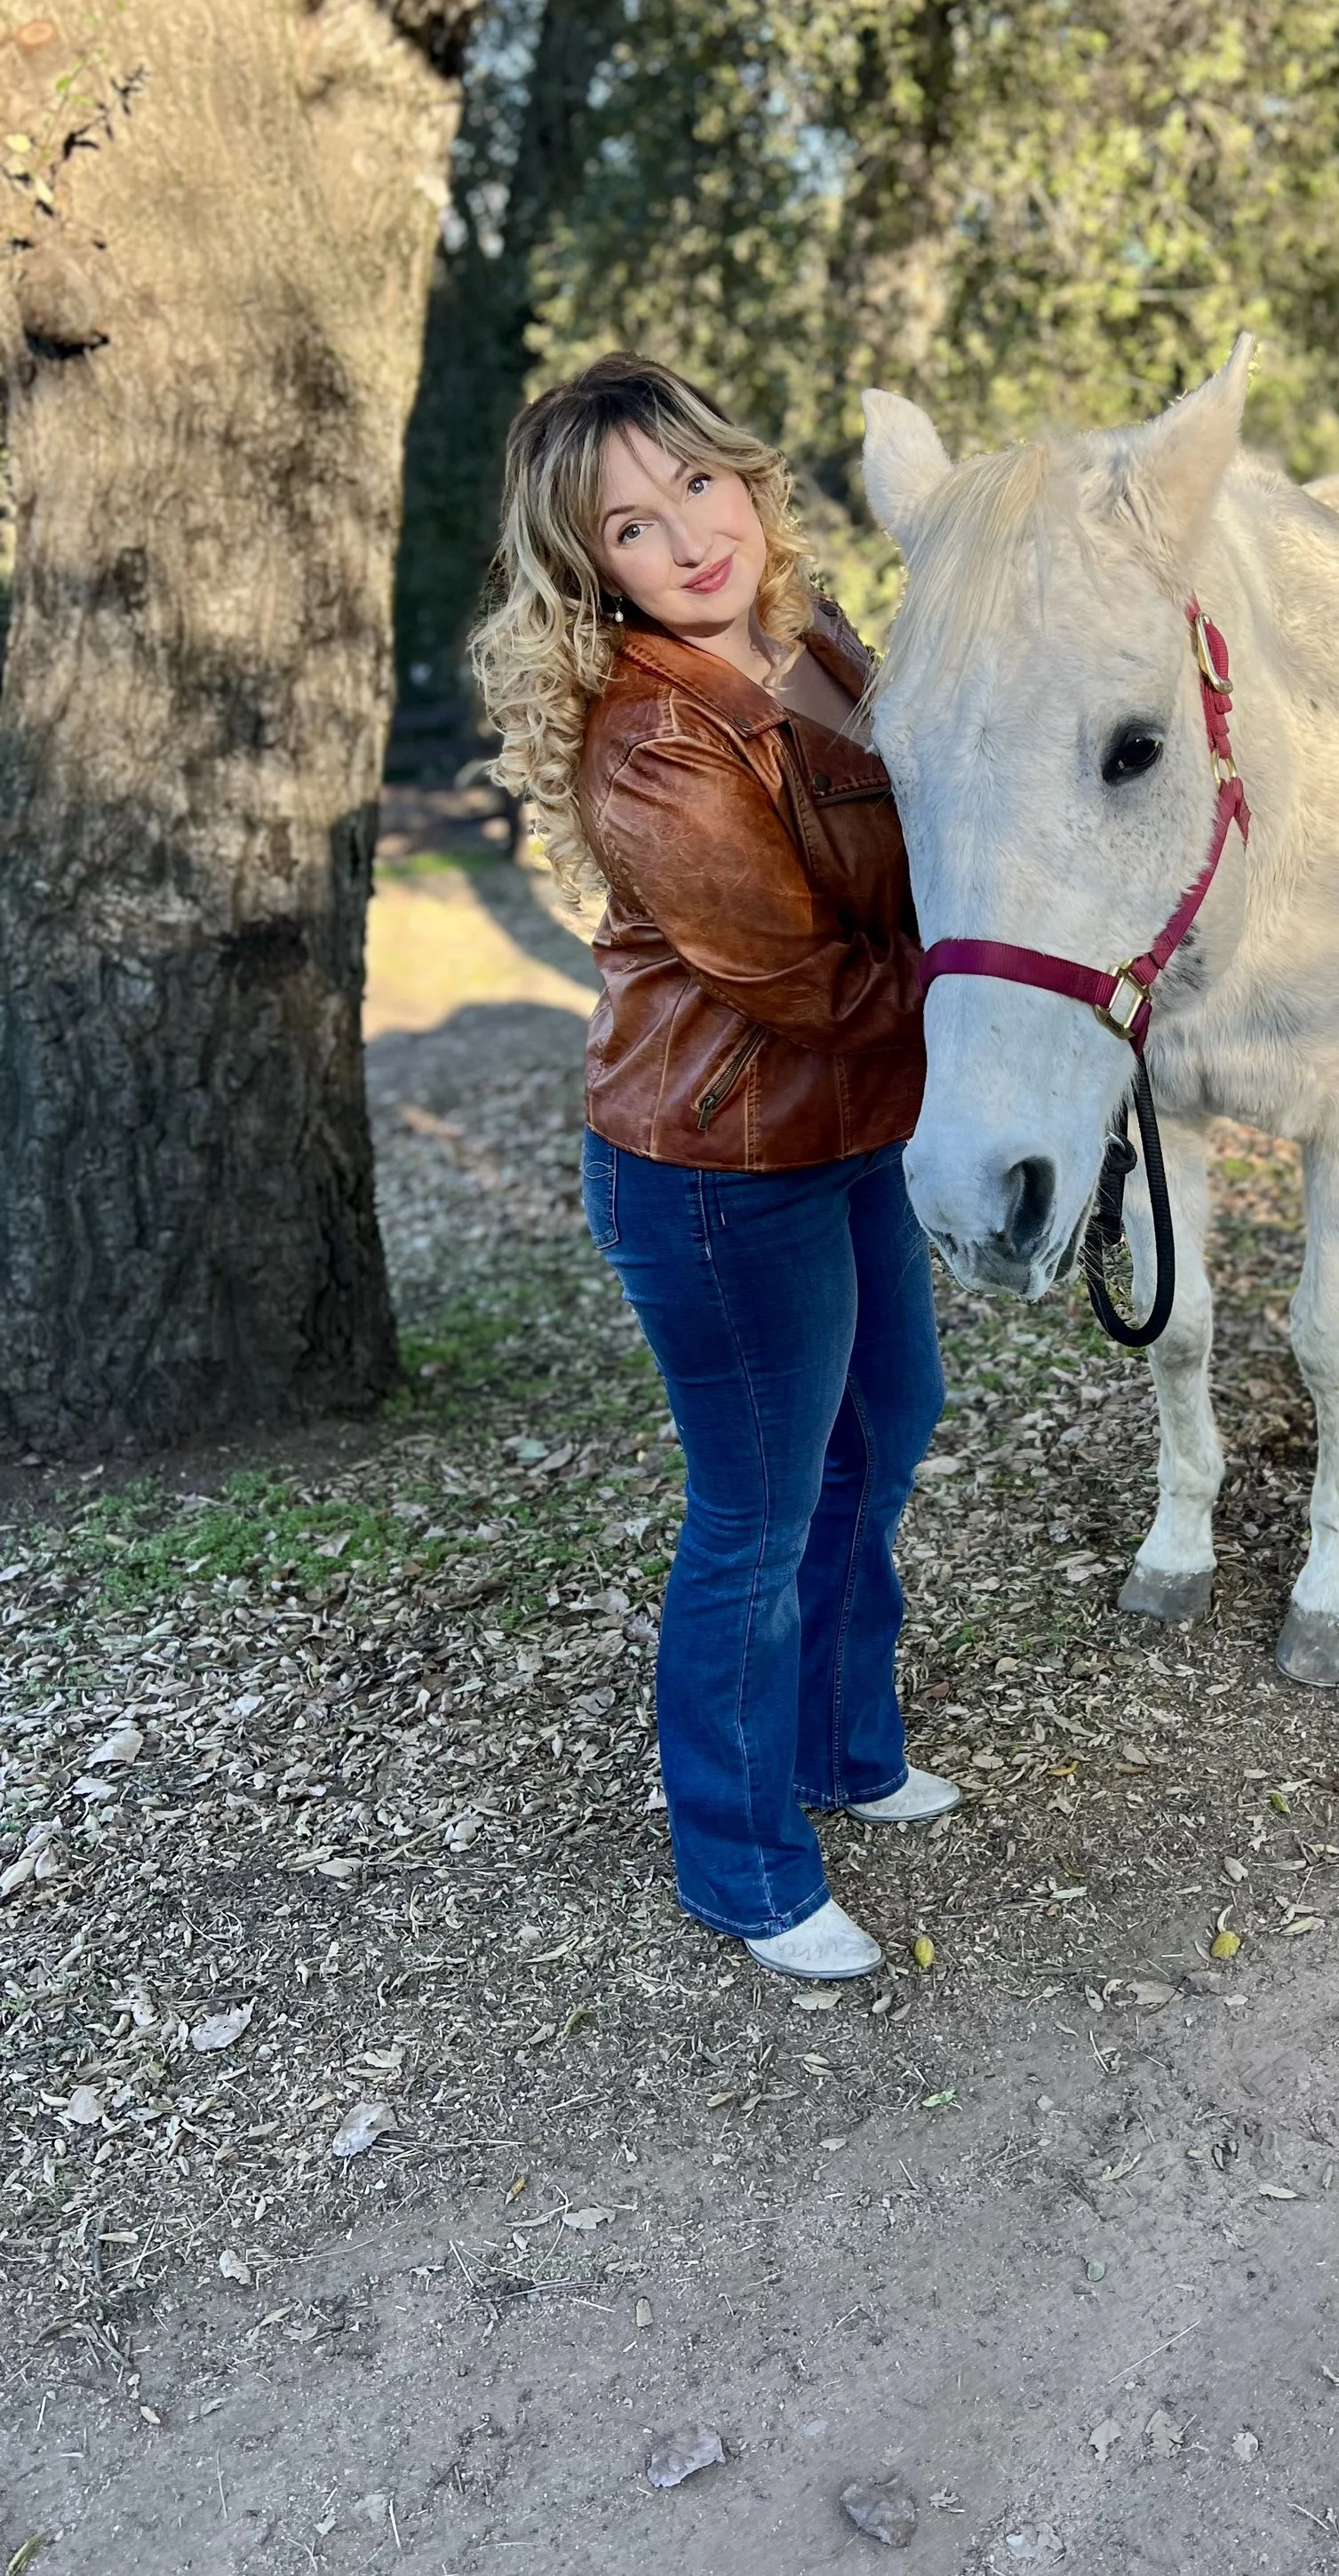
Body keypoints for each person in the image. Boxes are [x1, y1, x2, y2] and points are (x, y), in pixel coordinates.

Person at [470, 352, 956, 1982]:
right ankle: (743, 1865)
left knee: (889, 1425)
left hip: (849, 1127)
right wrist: (1034, 1011)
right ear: (588, 570)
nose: (686, 536)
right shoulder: (653, 738)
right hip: (719, 1162)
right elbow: (804, 983)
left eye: (696, 482)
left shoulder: (815, 644)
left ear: (747, 477)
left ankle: (839, 1744)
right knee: (753, 1511)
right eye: (630, 524)